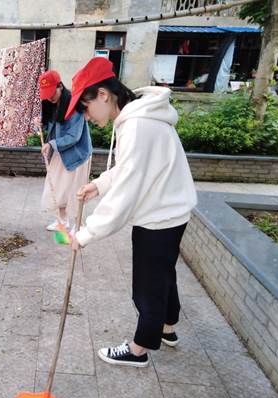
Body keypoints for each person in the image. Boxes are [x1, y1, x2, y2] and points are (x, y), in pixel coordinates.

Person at [69, 57, 197, 367]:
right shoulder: (139, 118)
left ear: (103, 95)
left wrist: (86, 234)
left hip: (159, 215)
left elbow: (127, 189)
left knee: (149, 283)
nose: (86, 116)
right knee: (164, 274)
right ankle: (167, 328)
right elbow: (130, 168)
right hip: (170, 210)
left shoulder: (137, 125)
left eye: (85, 107)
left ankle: (139, 349)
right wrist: (99, 184)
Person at [37, 70, 92, 232]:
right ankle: (62, 221)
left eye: (52, 92)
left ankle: (78, 225)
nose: (49, 97)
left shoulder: (74, 106)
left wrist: (51, 144)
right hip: (60, 152)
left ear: (60, 86)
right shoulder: (51, 105)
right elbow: (52, 128)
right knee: (57, 188)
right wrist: (41, 125)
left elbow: (73, 136)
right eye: (46, 94)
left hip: (77, 154)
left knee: (76, 190)